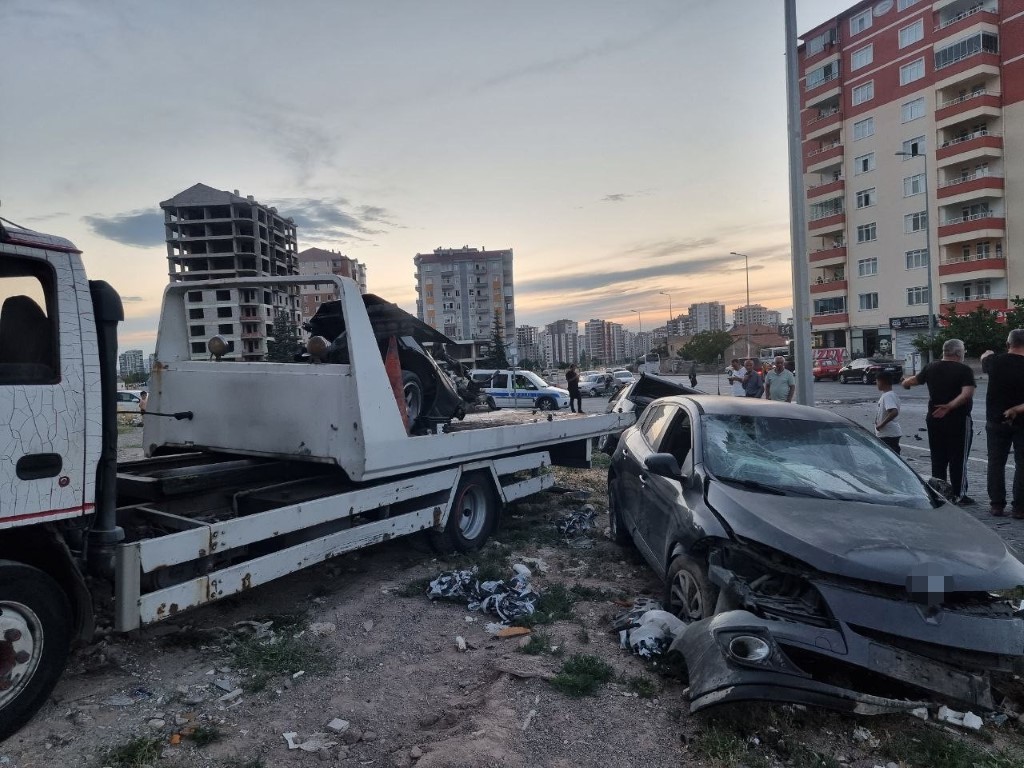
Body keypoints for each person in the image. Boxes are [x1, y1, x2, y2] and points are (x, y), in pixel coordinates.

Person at [902, 338, 976, 504]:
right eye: (963, 350)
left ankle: (939, 492)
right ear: (958, 353)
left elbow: (914, 380)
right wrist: (950, 406)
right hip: (958, 420)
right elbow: (967, 395)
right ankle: (959, 494)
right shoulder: (964, 370)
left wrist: (906, 383)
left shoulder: (931, 367)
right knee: (958, 458)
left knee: (938, 458)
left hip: (934, 419)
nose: (964, 353)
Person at [980, 329, 1024, 518]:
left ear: (1008, 344)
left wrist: (988, 353)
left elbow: (985, 358)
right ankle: (1019, 507)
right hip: (1022, 423)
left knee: (996, 462)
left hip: (996, 420)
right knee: (1022, 464)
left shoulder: (995, 362)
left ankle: (997, 505)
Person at [873, 371, 901, 454]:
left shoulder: (887, 396)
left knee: (889, 459)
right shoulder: (890, 394)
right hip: (889, 433)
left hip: (888, 434)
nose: (876, 384)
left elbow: (893, 412)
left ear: (882, 381)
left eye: (877, 381)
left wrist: (881, 424)